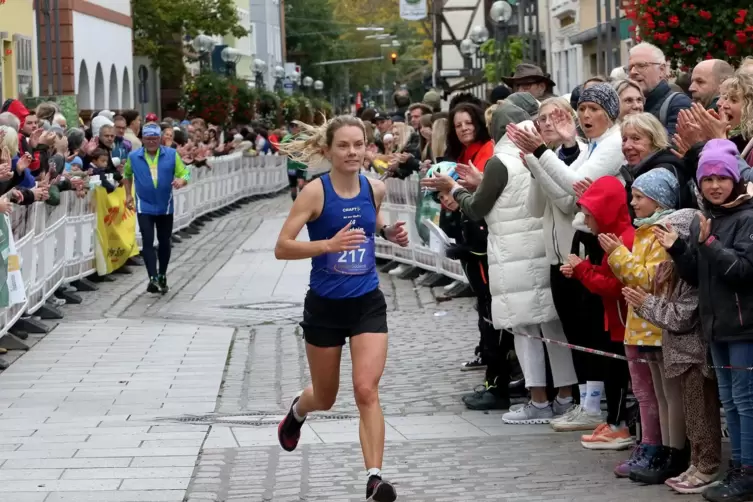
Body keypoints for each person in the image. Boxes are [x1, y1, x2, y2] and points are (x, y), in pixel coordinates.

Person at [274, 115, 409, 502]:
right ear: (328, 150)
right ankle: (299, 410)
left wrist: (389, 234)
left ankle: (374, 478)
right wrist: (326, 246)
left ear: (368, 147)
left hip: (367, 301)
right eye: (344, 146)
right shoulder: (315, 193)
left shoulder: (375, 188)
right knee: (326, 396)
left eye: (359, 144)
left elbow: (373, 223)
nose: (352, 152)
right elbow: (282, 246)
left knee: (366, 389)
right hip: (325, 307)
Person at [659, 139, 753, 502]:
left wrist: (709, 242)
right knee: (729, 402)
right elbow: (700, 276)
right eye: (707, 179)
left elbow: (742, 271)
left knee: (745, 402)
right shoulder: (709, 218)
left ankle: (747, 472)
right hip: (717, 326)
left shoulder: (746, 218)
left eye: (721, 178)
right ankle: (738, 468)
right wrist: (680, 250)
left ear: (734, 179)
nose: (714, 185)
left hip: (743, 327)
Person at [123, 123, 190, 295]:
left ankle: (162, 274)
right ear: (142, 139)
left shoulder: (171, 154)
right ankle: (152, 277)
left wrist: (182, 181)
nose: (151, 142)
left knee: (164, 241)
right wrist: (128, 195)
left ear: (160, 139)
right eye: (148, 139)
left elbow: (185, 173)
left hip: (165, 205)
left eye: (154, 139)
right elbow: (127, 175)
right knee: (147, 239)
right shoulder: (133, 156)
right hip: (144, 205)